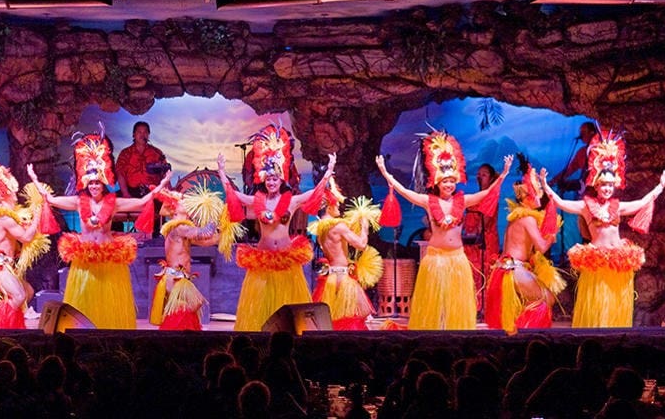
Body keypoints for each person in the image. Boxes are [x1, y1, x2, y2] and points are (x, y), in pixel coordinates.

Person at [28, 127, 171, 329]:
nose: (94, 186)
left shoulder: (113, 204)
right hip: (85, 261)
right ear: (86, 183)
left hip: (107, 262)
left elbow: (142, 202)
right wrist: (34, 179)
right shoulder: (79, 202)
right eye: (91, 182)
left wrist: (163, 183)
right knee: (84, 302)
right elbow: (50, 199)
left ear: (103, 183)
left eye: (98, 182)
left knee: (107, 304)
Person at [375, 131, 512, 330]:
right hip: (435, 259)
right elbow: (406, 193)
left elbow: (485, 193)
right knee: (433, 303)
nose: (449, 184)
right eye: (445, 181)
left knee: (455, 304)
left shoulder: (463, 201)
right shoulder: (429, 203)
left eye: (451, 181)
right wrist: (386, 173)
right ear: (437, 183)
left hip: (457, 259)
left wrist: (504, 174)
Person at [540, 130, 665, 328]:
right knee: (596, 305)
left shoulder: (618, 206)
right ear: (597, 184)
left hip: (617, 262)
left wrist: (660, 186)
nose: (607, 189)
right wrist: (545, 185)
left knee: (614, 304)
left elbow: (642, 202)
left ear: (614, 186)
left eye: (610, 185)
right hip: (596, 261)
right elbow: (560, 202)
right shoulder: (586, 206)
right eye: (604, 185)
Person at [216, 123, 337, 331]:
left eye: (275, 178)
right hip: (263, 257)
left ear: (281, 180)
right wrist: (221, 171)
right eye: (269, 179)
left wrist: (329, 172)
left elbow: (316, 192)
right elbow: (234, 195)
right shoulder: (257, 200)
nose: (272, 182)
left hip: (285, 257)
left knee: (287, 302)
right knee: (263, 303)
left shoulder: (291, 201)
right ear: (264, 180)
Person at [485, 166, 566, 333]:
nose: (540, 196)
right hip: (514, 269)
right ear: (528, 197)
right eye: (537, 193)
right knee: (547, 299)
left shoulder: (517, 217)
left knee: (533, 302)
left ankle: (521, 332)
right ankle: (527, 336)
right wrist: (552, 234)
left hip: (506, 268)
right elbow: (542, 248)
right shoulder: (528, 218)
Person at [0, 158, 48, 329]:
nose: (16, 195)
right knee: (19, 296)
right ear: (6, 194)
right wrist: (37, 215)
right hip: (0, 267)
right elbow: (26, 238)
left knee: (28, 292)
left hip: (8, 266)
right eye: (13, 192)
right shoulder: (5, 218)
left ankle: (13, 325)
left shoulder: (11, 216)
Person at [149, 183, 238, 330]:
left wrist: (226, 231)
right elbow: (206, 232)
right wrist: (213, 212)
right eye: (183, 202)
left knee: (188, 309)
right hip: (176, 279)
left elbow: (208, 240)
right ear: (176, 210)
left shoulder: (183, 230)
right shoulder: (179, 228)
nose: (187, 203)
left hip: (180, 278)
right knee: (188, 308)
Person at [306, 179, 383, 330]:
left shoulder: (321, 228)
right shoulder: (338, 226)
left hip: (330, 279)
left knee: (332, 320)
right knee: (350, 321)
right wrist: (364, 227)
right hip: (343, 279)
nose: (339, 206)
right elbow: (361, 244)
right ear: (328, 206)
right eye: (336, 204)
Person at [461, 163, 501, 314]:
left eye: (484, 174)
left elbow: (486, 220)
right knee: (471, 274)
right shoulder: (475, 197)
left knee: (484, 274)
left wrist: (475, 232)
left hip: (485, 242)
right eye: (479, 174)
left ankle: (484, 308)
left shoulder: (491, 197)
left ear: (491, 179)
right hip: (470, 242)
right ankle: (472, 306)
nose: (479, 176)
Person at [550, 121, 598, 194]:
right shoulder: (582, 152)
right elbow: (570, 169)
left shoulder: (601, 150)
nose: (581, 135)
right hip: (585, 190)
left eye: (583, 132)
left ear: (592, 133)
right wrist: (554, 180)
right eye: (580, 132)